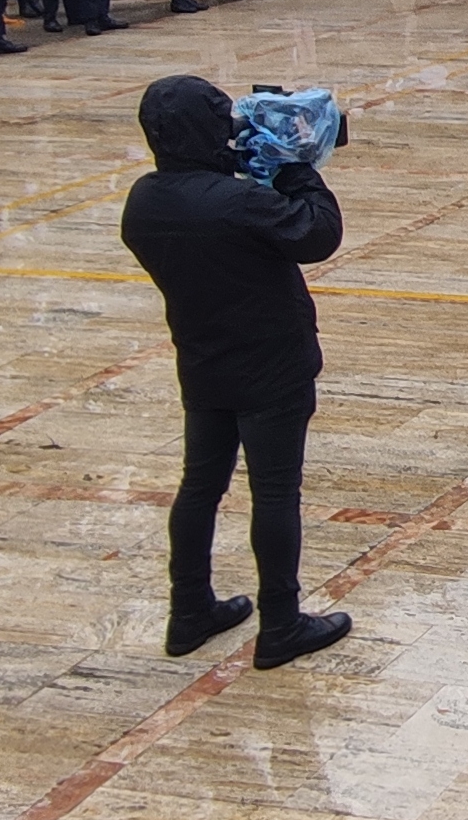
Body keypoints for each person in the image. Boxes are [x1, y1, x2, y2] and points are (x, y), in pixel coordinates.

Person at [118, 75, 351, 671]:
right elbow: (318, 233)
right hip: (271, 363)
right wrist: (296, 165)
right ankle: (281, 622)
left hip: (202, 359)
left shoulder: (143, 202)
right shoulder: (237, 202)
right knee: (274, 491)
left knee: (200, 486)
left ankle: (189, 608)